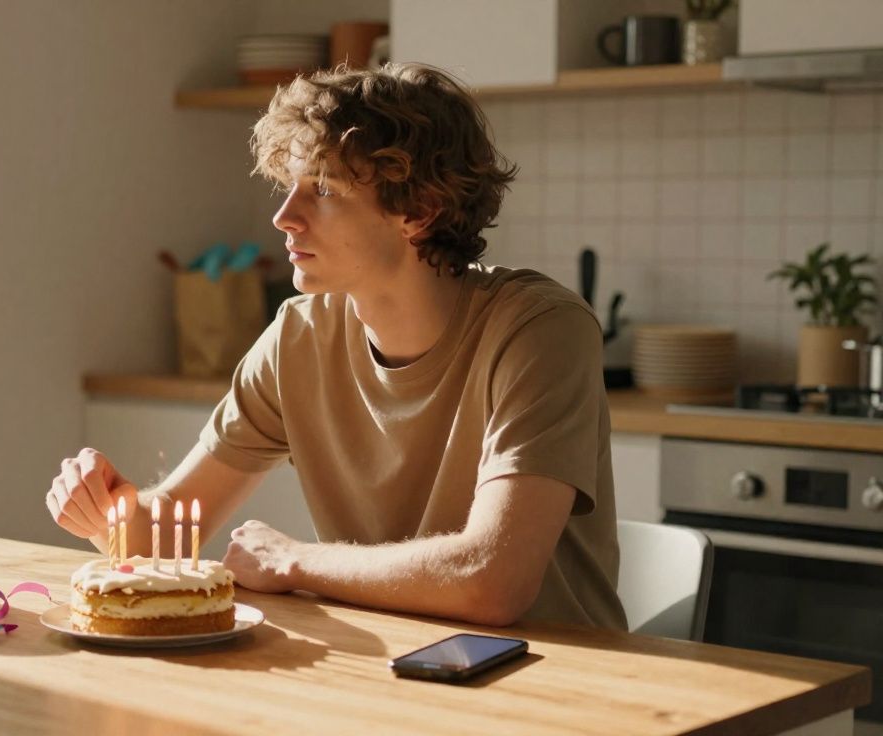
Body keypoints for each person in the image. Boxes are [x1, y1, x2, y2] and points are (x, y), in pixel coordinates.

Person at [47, 63, 627, 630]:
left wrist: (296, 560)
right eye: (288, 188)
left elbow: (491, 580)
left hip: (550, 684)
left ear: (418, 211)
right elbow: (163, 534)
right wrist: (107, 508)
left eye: (322, 189)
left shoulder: (539, 330)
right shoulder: (299, 336)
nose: (283, 217)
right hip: (398, 666)